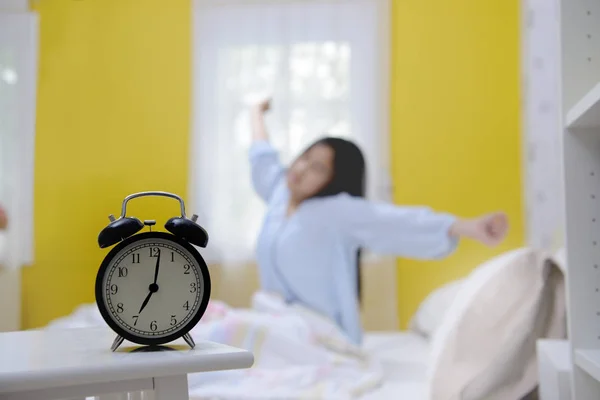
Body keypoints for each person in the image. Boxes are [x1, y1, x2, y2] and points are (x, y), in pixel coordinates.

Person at [248, 99, 509, 344]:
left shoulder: (337, 212)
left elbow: (397, 222)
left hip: (322, 335)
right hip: (280, 323)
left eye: (318, 168)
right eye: (305, 157)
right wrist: (256, 111)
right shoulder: (278, 193)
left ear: (334, 180)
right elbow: (262, 157)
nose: (302, 169)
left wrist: (468, 227)